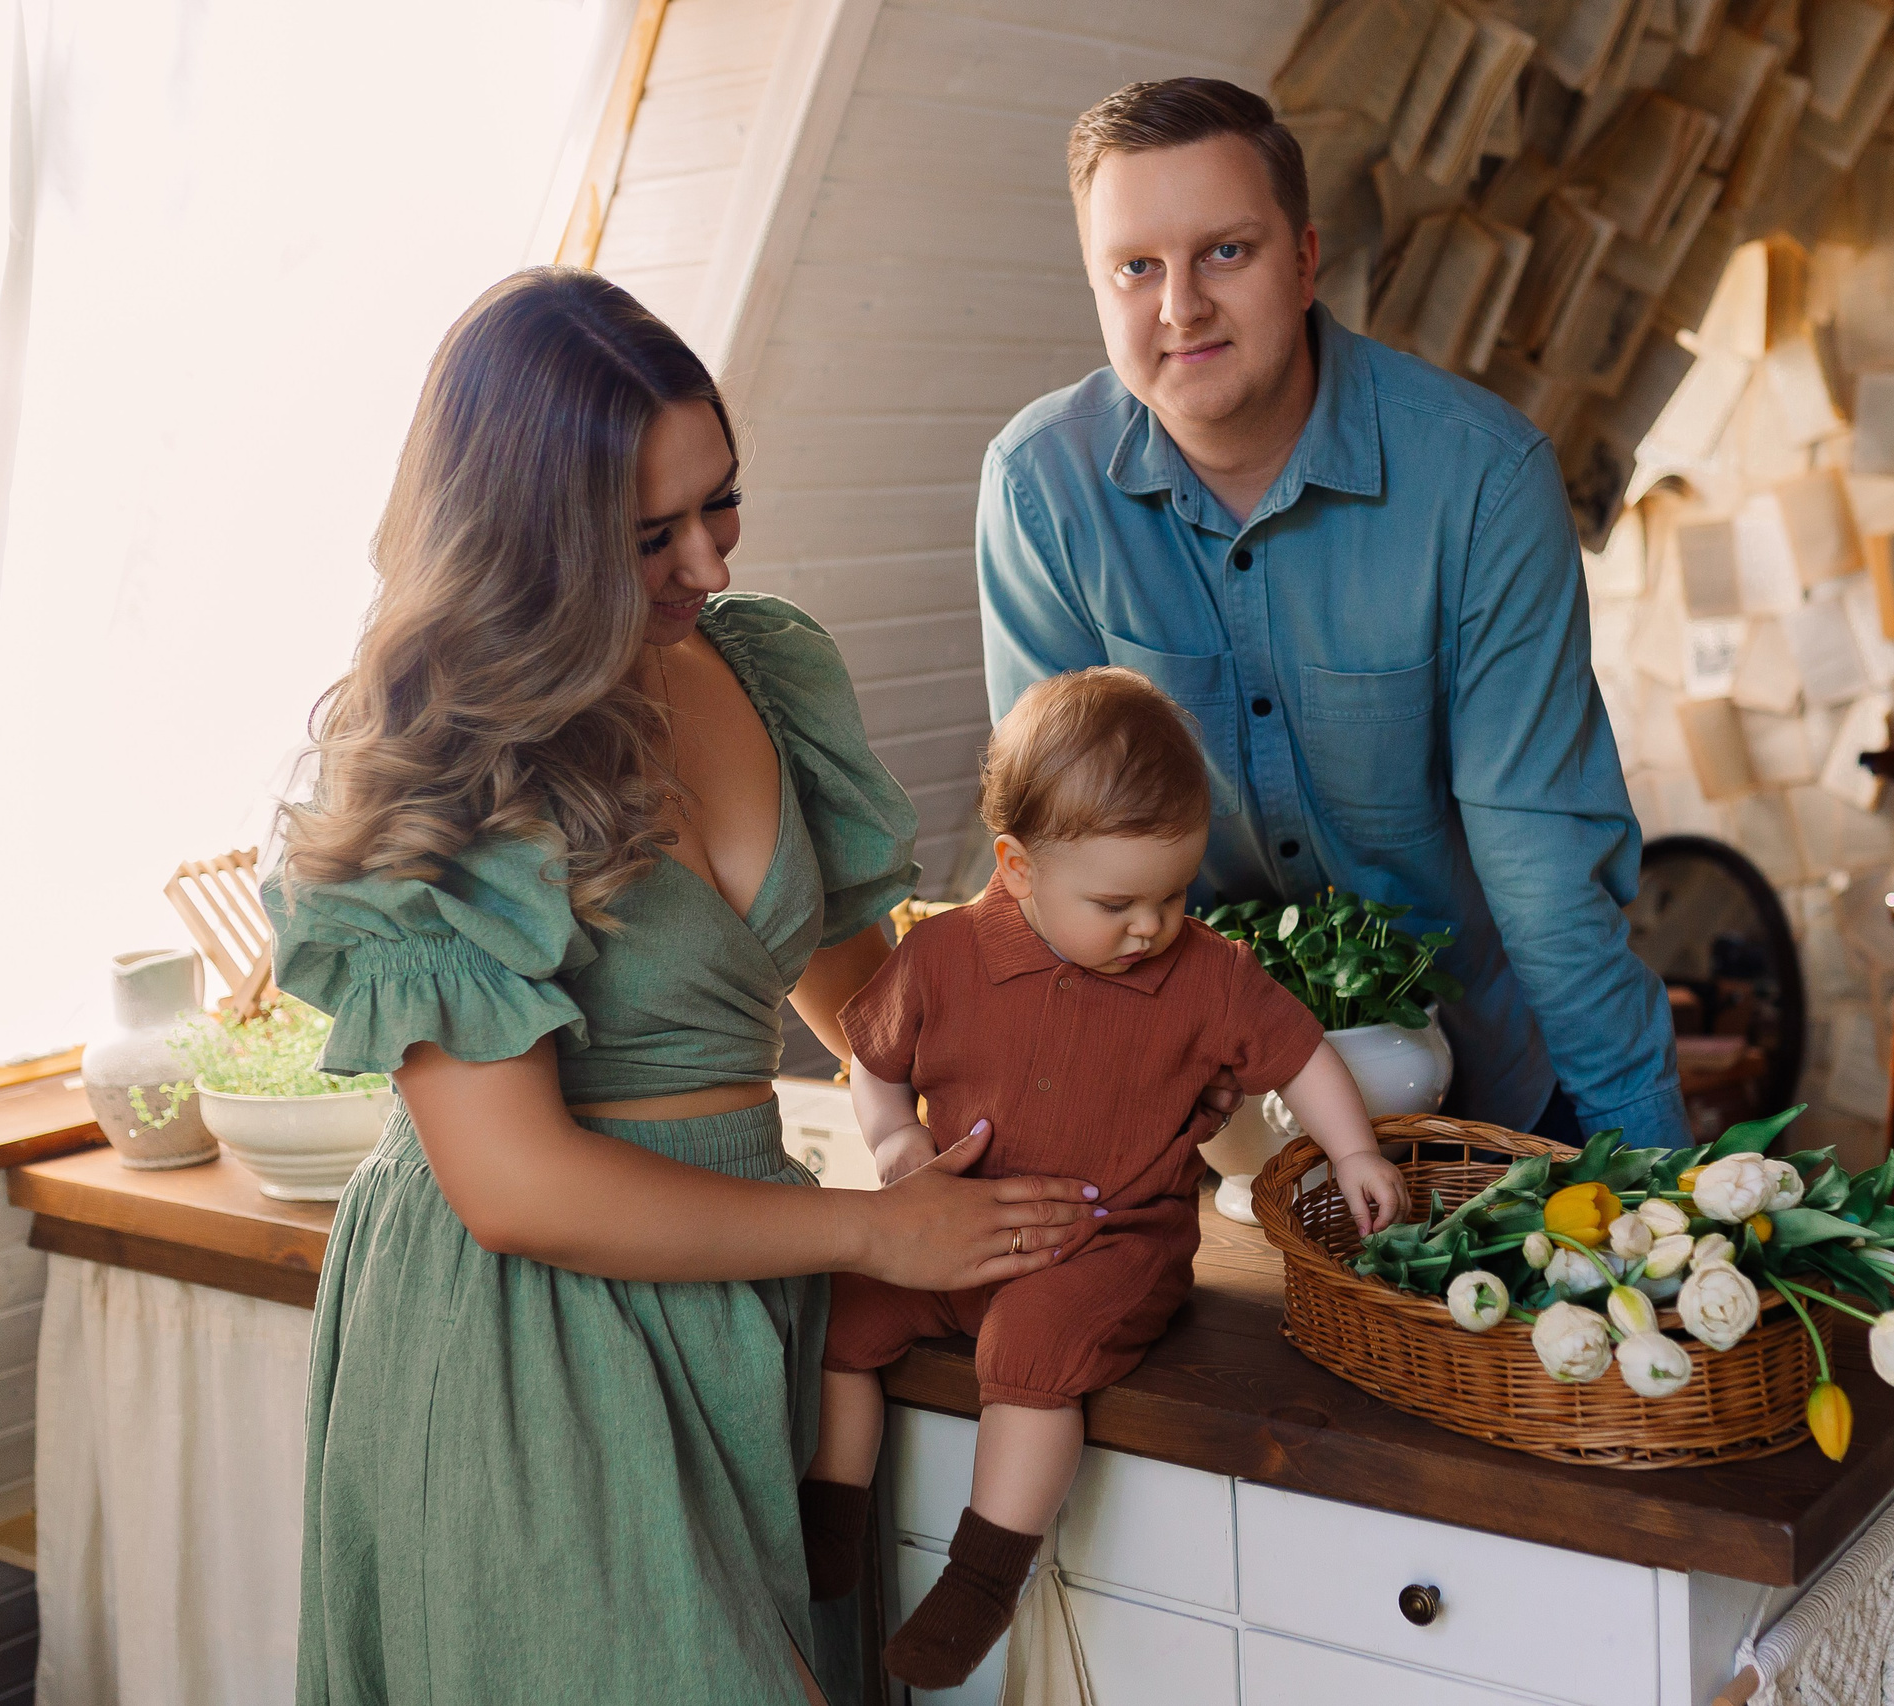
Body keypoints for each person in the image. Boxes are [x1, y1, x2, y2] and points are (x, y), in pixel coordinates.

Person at [262, 269, 1102, 1706]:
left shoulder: (758, 664)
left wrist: (981, 1110)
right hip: (526, 1327)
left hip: (738, 1295)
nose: (708, 561)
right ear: (526, 536)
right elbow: (517, 1185)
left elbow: (857, 983)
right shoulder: (443, 753)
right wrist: (877, 1232)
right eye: (649, 534)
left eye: (722, 502)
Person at [977, 78, 1686, 1149]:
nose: (1180, 308)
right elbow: (1063, 855)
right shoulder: (1040, 489)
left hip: (1482, 1100)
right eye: (1135, 267)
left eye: (1226, 251)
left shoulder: (1483, 481)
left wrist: (1659, 1173)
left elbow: (1541, 868)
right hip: (1203, 1102)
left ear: (1304, 261)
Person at [798, 666, 1408, 1688]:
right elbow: (875, 1059)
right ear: (1018, 867)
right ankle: (829, 1518)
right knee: (844, 1312)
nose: (1151, 924)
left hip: (1105, 1241)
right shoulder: (945, 952)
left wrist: (1353, 1150)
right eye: (1117, 900)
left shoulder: (1201, 972)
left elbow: (1299, 1052)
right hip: (958, 1226)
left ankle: (985, 1573)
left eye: (1175, 893)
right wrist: (896, 1143)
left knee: (1031, 1344)